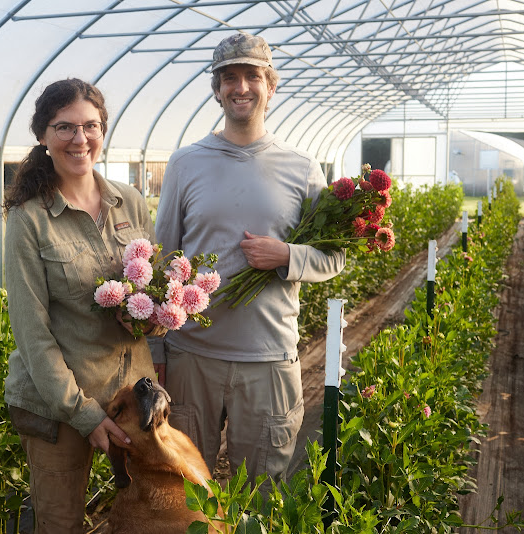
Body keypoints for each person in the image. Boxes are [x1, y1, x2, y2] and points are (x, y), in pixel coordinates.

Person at [153, 33, 346, 487]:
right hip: (191, 358)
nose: (241, 87)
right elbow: (162, 262)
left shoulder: (301, 167)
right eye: (230, 78)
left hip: (269, 361)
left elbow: (334, 257)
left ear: (271, 86)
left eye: (252, 77)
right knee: (183, 492)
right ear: (217, 89)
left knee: (261, 496)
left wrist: (287, 256)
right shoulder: (185, 163)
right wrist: (157, 351)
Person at [2, 78, 157, 533]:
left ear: (103, 130)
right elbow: (33, 335)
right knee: (61, 523)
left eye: (90, 126)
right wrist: (83, 413)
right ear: (43, 135)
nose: (79, 138)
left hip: (131, 397)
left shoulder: (128, 201)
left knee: (144, 517)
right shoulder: (29, 219)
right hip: (60, 406)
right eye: (64, 127)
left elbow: (152, 288)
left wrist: (163, 316)